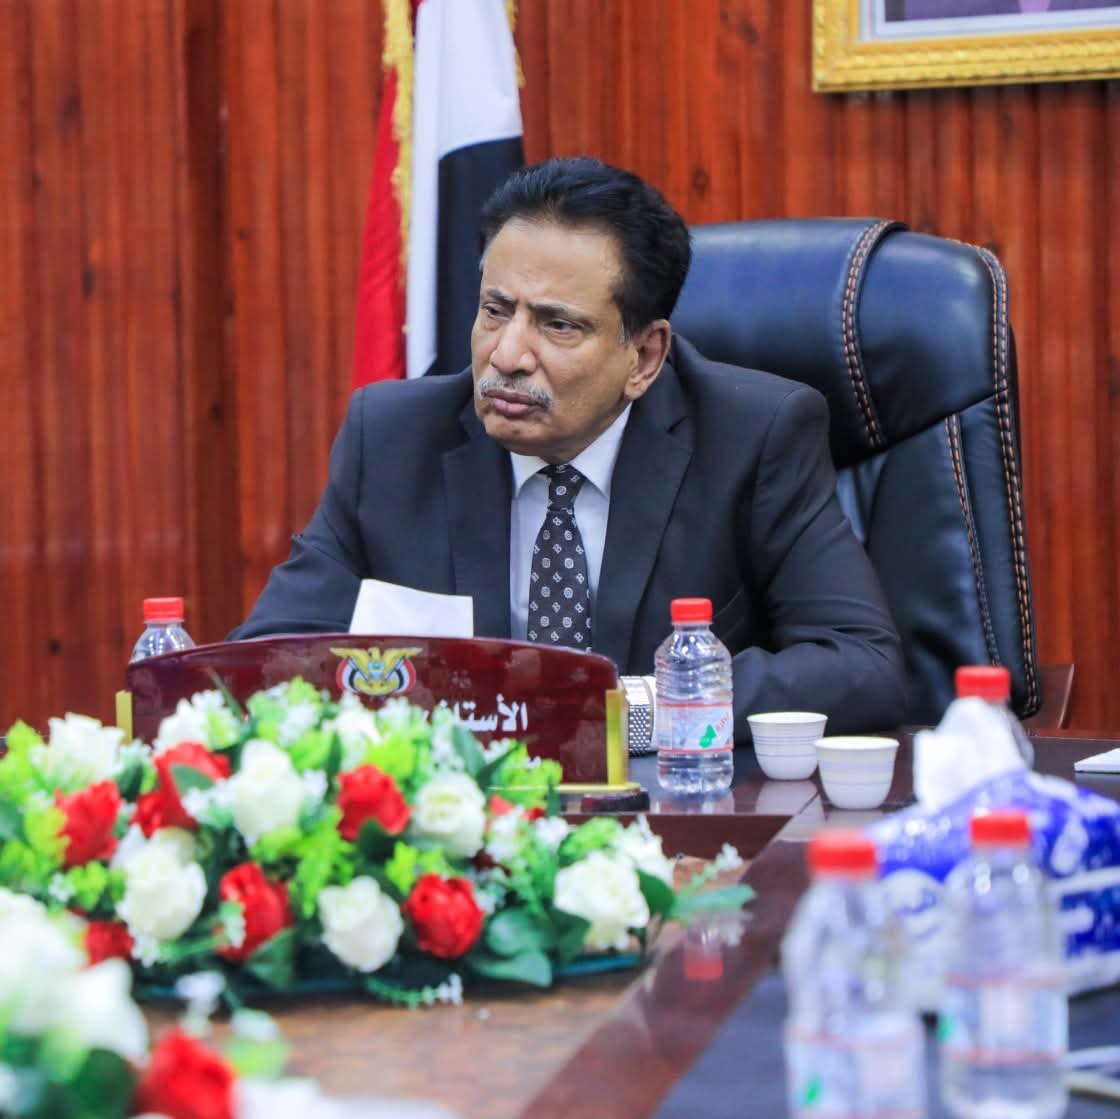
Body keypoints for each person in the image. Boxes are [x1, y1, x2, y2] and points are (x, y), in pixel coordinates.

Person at [230, 157, 907, 741]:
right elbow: (259, 666)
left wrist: (624, 711)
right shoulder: (393, 438)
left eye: (557, 326)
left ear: (645, 357)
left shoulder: (752, 437)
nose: (507, 355)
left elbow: (863, 666)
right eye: (496, 311)